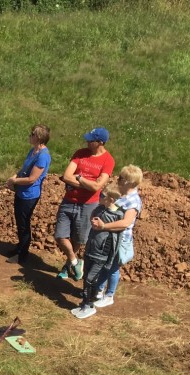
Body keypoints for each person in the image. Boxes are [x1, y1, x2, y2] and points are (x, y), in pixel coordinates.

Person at [54, 127, 115, 281]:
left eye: (91, 140)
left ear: (100, 142)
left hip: (88, 205)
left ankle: (66, 268)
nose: (87, 142)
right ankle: (75, 262)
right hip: (69, 200)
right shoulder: (80, 153)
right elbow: (67, 176)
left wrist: (79, 179)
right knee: (60, 236)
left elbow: (97, 187)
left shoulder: (108, 160)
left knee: (79, 239)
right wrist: (87, 184)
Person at [94, 165, 143, 307]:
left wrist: (104, 226)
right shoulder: (121, 193)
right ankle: (98, 291)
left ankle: (109, 295)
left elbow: (125, 223)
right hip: (110, 236)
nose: (118, 179)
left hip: (120, 240)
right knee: (105, 265)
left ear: (129, 181)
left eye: (121, 178)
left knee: (112, 267)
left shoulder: (133, 201)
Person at [71, 186, 124, 320]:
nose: (99, 197)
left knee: (91, 279)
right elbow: (93, 217)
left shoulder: (118, 216)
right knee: (86, 278)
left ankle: (90, 305)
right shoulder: (100, 209)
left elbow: (116, 237)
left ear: (111, 199)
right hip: (91, 249)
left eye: (102, 196)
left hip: (101, 254)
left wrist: (102, 224)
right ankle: (84, 304)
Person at [4, 124, 51, 266]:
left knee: (24, 225)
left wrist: (15, 180)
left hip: (29, 195)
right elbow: (24, 169)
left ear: (38, 138)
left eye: (32, 134)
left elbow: (32, 179)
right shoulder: (33, 151)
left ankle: (22, 254)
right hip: (22, 192)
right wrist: (15, 177)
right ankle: (20, 247)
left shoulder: (43, 156)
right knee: (20, 222)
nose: (29, 136)